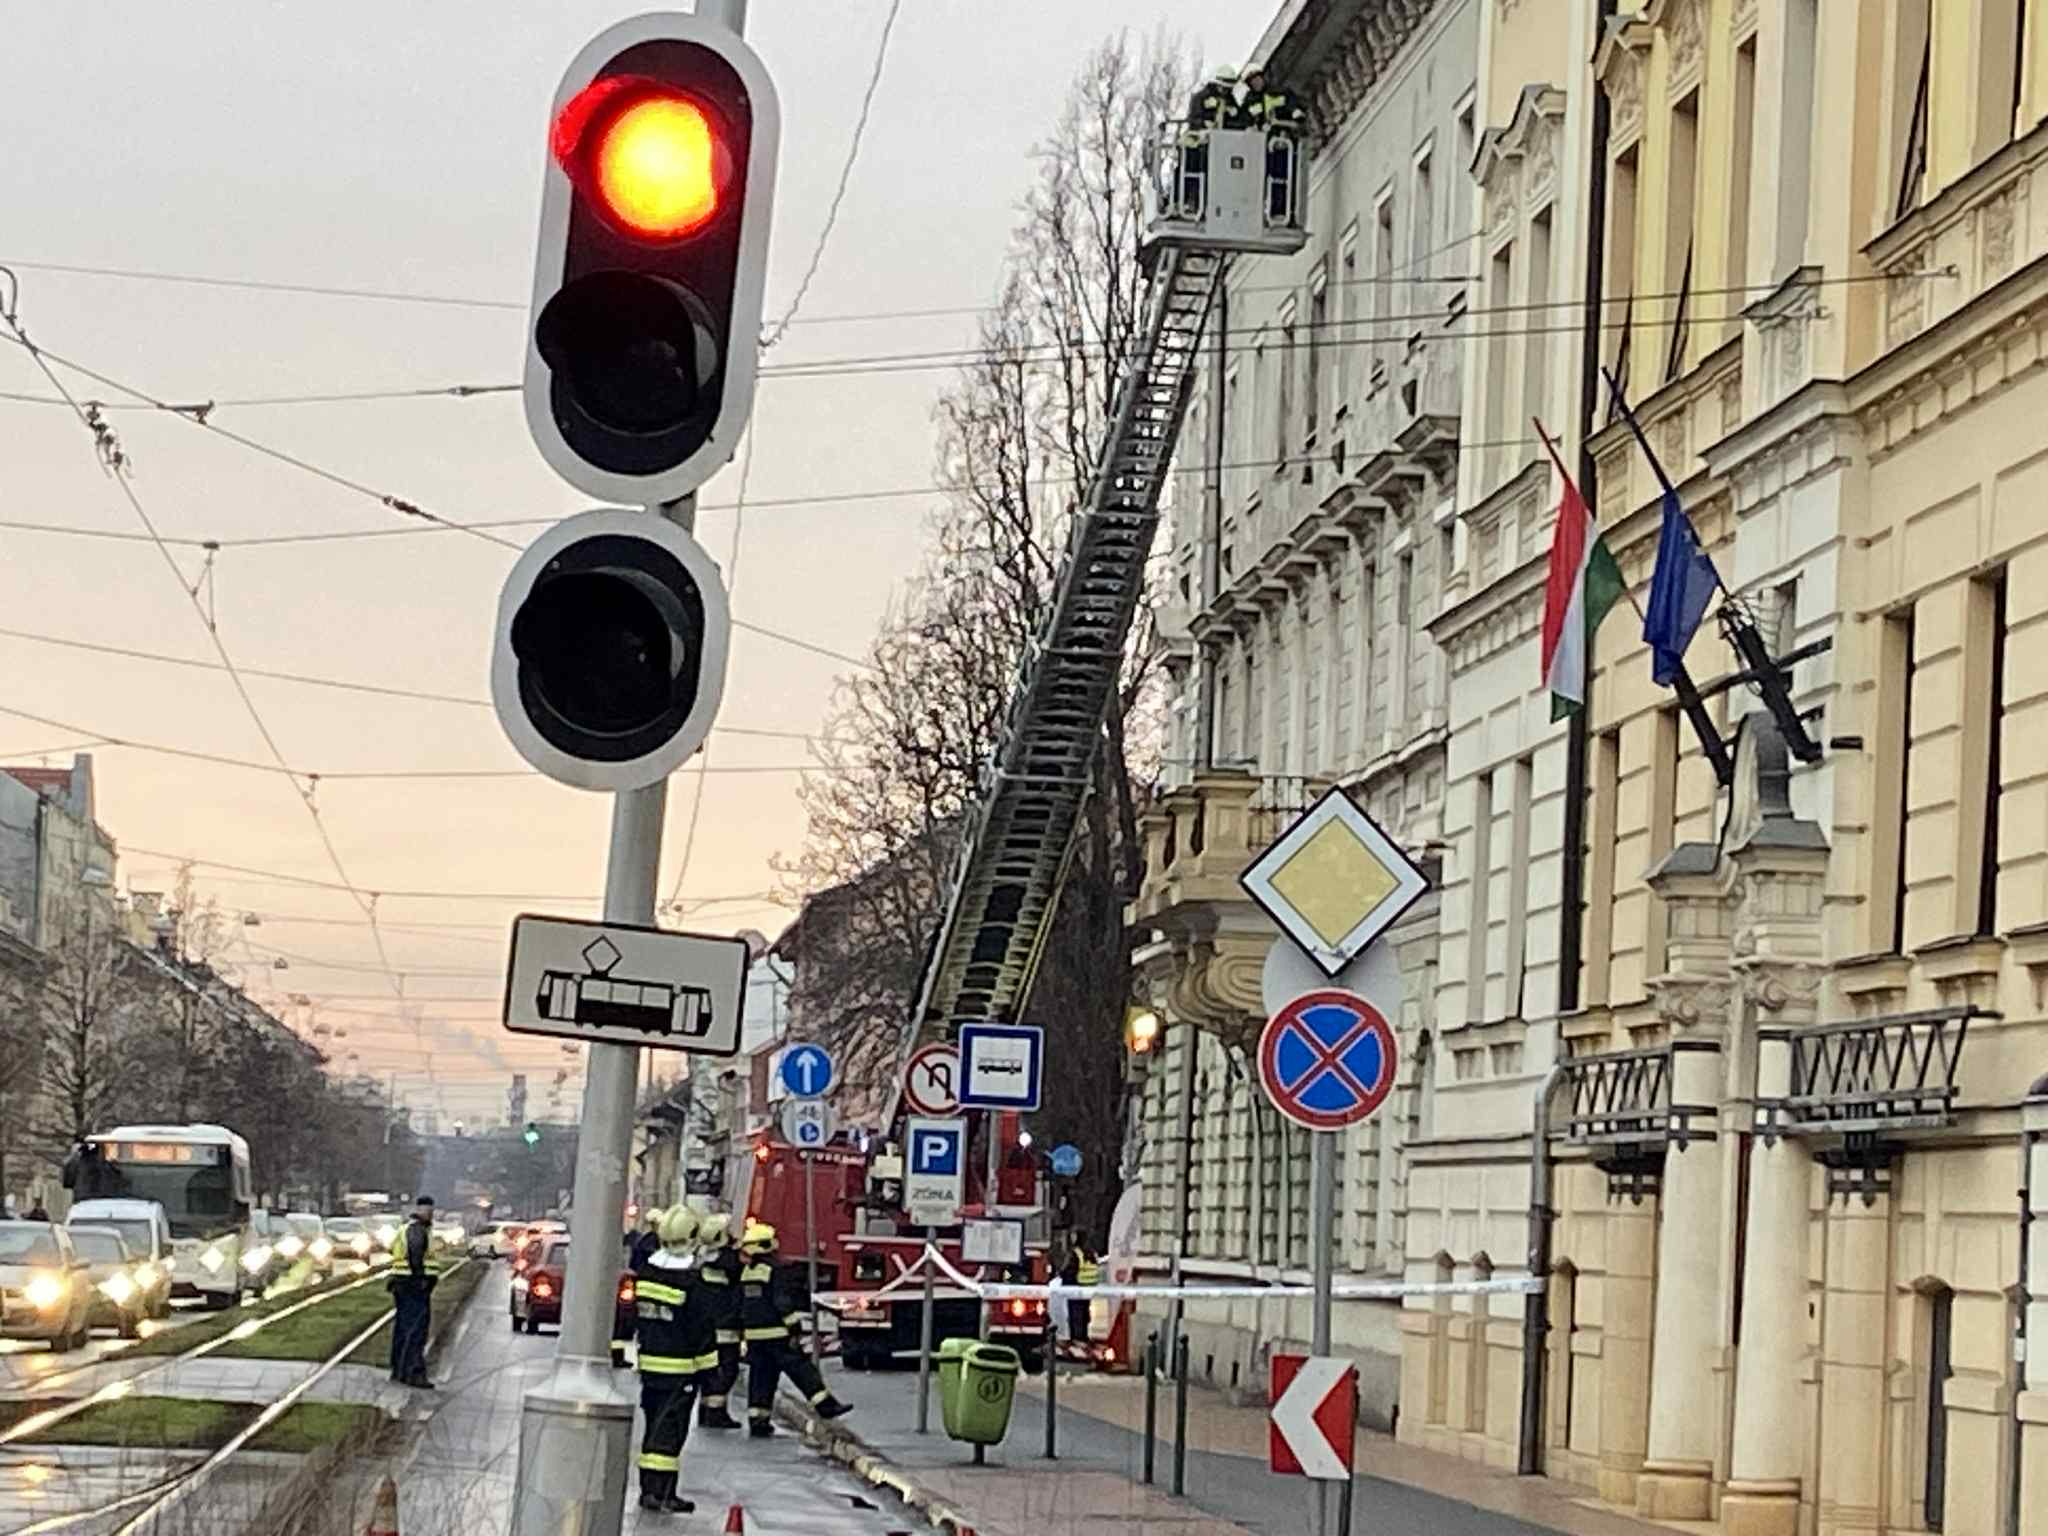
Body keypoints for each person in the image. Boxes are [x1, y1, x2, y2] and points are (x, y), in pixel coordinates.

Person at [632, 1207, 711, 1515]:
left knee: (654, 1427)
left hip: (650, 1367)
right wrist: (711, 1373)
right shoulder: (692, 1282)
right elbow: (702, 1331)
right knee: (670, 1433)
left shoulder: (647, 1274)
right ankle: (662, 1493)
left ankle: (649, 1490)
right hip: (680, 1370)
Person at [740, 1222, 850, 1437]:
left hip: (755, 1336)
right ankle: (826, 1406)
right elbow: (781, 1302)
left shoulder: (748, 1273)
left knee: (761, 1378)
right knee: (802, 1370)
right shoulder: (775, 1270)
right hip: (778, 1334)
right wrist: (794, 1327)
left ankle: (758, 1420)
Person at [693, 1213, 743, 1430]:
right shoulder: (729, 1260)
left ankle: (705, 1411)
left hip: (705, 1326)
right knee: (727, 1370)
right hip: (725, 1326)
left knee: (710, 1369)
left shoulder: (701, 1258)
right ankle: (716, 1412)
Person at [387, 1195, 436, 1388]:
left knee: (403, 1328)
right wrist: (421, 1279)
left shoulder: (406, 1228)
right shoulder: (418, 1230)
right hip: (413, 1286)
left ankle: (398, 1369)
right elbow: (416, 1255)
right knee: (416, 1330)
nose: (430, 1214)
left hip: (402, 1283)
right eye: (428, 1210)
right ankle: (413, 1372)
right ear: (420, 1210)